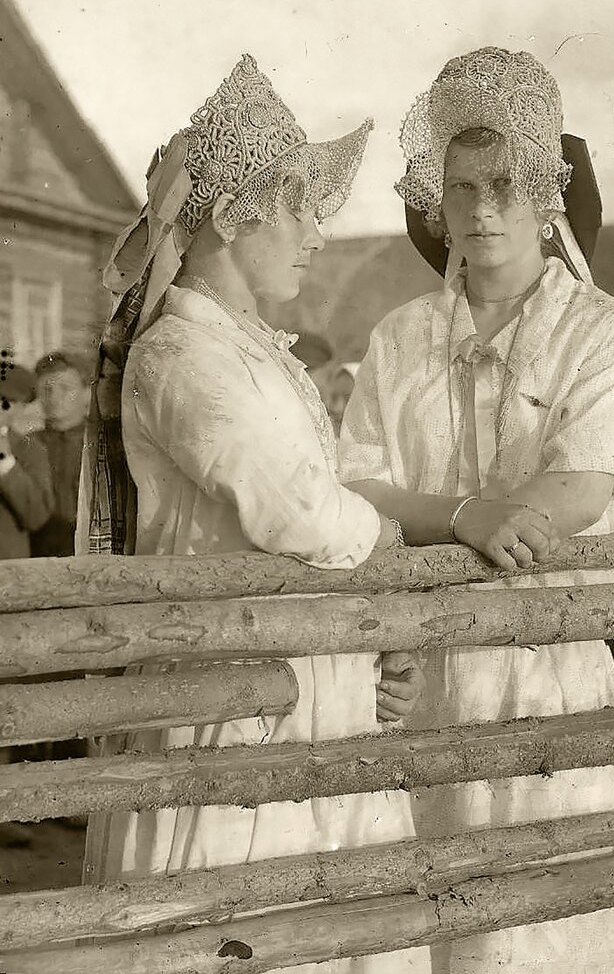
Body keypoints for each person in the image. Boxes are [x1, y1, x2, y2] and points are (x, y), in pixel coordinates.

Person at [78, 54, 428, 974]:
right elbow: (292, 510)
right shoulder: (179, 355)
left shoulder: (260, 354)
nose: (316, 234)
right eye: (300, 207)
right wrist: (388, 539)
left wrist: (373, 639)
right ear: (238, 216)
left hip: (314, 694)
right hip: (229, 700)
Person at [339, 47, 614, 972]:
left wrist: (460, 517)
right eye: (459, 189)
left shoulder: (594, 325)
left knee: (539, 932)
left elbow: (580, 482)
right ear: (433, 202)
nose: (481, 209)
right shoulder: (399, 337)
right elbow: (355, 490)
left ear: (545, 195)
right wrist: (462, 516)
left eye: (504, 185)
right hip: (416, 676)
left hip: (544, 664)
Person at [30, 351, 89, 557]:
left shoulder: (102, 444)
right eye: (47, 389)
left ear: (87, 392)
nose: (54, 397)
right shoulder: (28, 444)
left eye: (65, 388)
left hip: (88, 551)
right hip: (37, 552)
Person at [0, 363, 53, 560]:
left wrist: (6, 464)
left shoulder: (29, 450)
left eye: (6, 402)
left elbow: (36, 516)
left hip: (6, 573)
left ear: (20, 407)